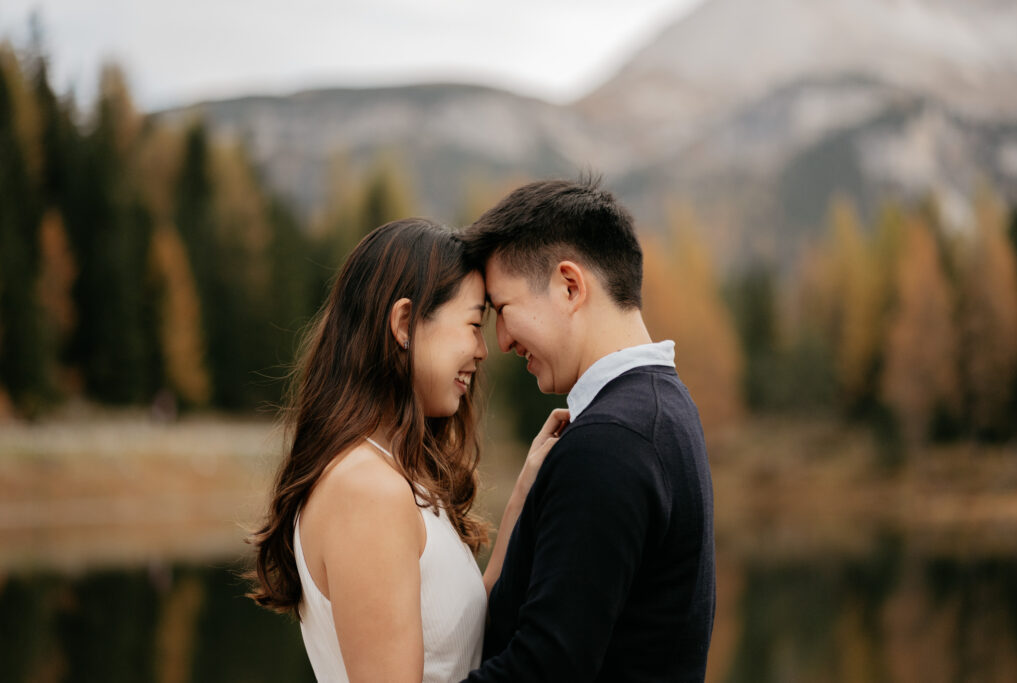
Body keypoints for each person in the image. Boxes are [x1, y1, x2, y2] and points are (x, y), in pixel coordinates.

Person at [247, 218, 568, 683]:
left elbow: (454, 643)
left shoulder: (387, 476)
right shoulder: (366, 489)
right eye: (473, 324)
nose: (483, 350)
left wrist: (523, 493)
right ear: (404, 323)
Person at [459, 178, 716, 682]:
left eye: (503, 309)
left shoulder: (609, 443)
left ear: (569, 286)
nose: (502, 341)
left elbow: (542, 670)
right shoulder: (665, 407)